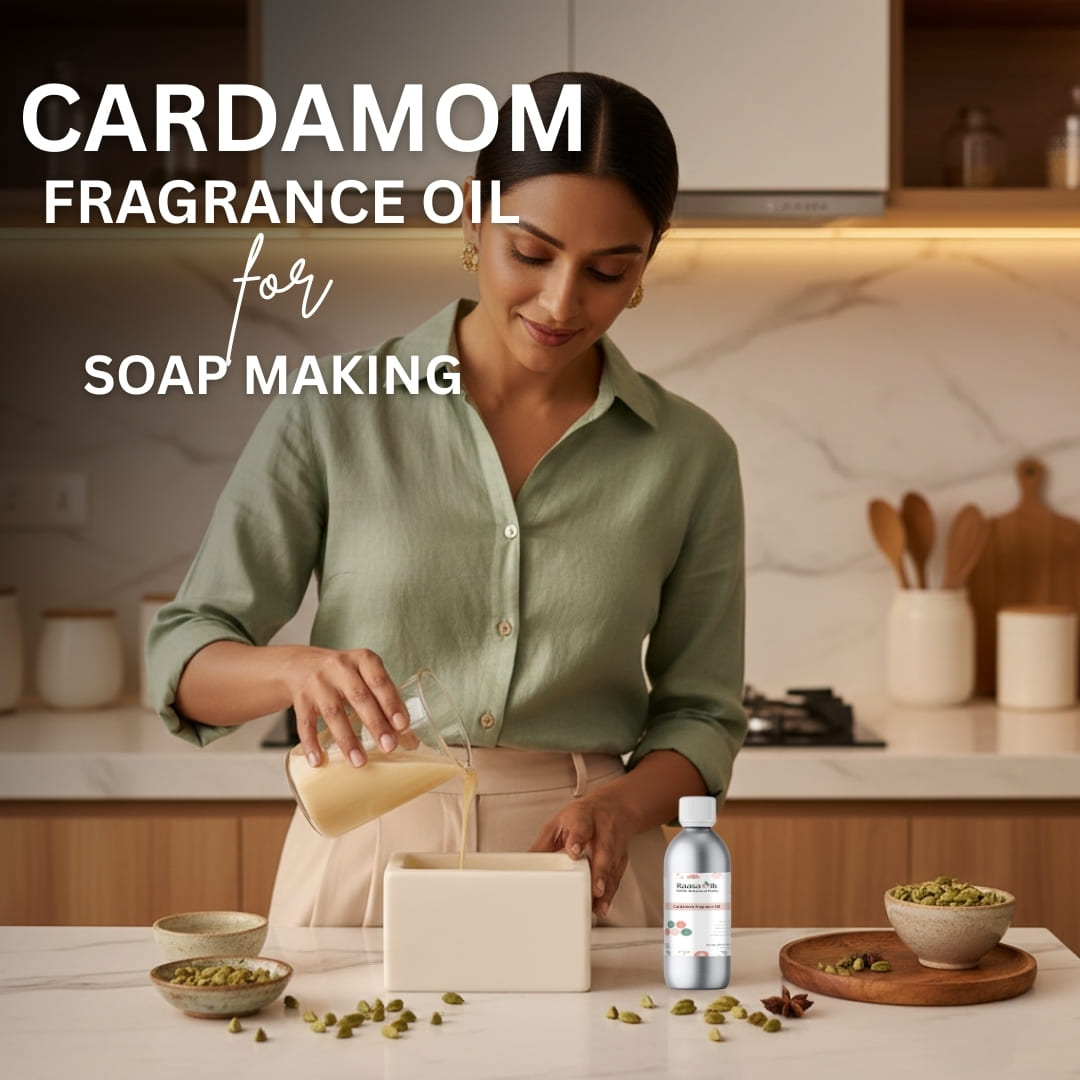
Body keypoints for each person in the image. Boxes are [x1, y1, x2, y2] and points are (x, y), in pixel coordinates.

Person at [147, 71, 747, 927]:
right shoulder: (335, 409)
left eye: (609, 271)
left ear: (647, 262)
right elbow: (184, 658)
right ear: (473, 215)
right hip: (366, 852)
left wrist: (620, 804)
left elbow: (701, 714)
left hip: (584, 867)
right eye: (531, 254)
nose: (561, 301)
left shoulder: (691, 456)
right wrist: (296, 669)